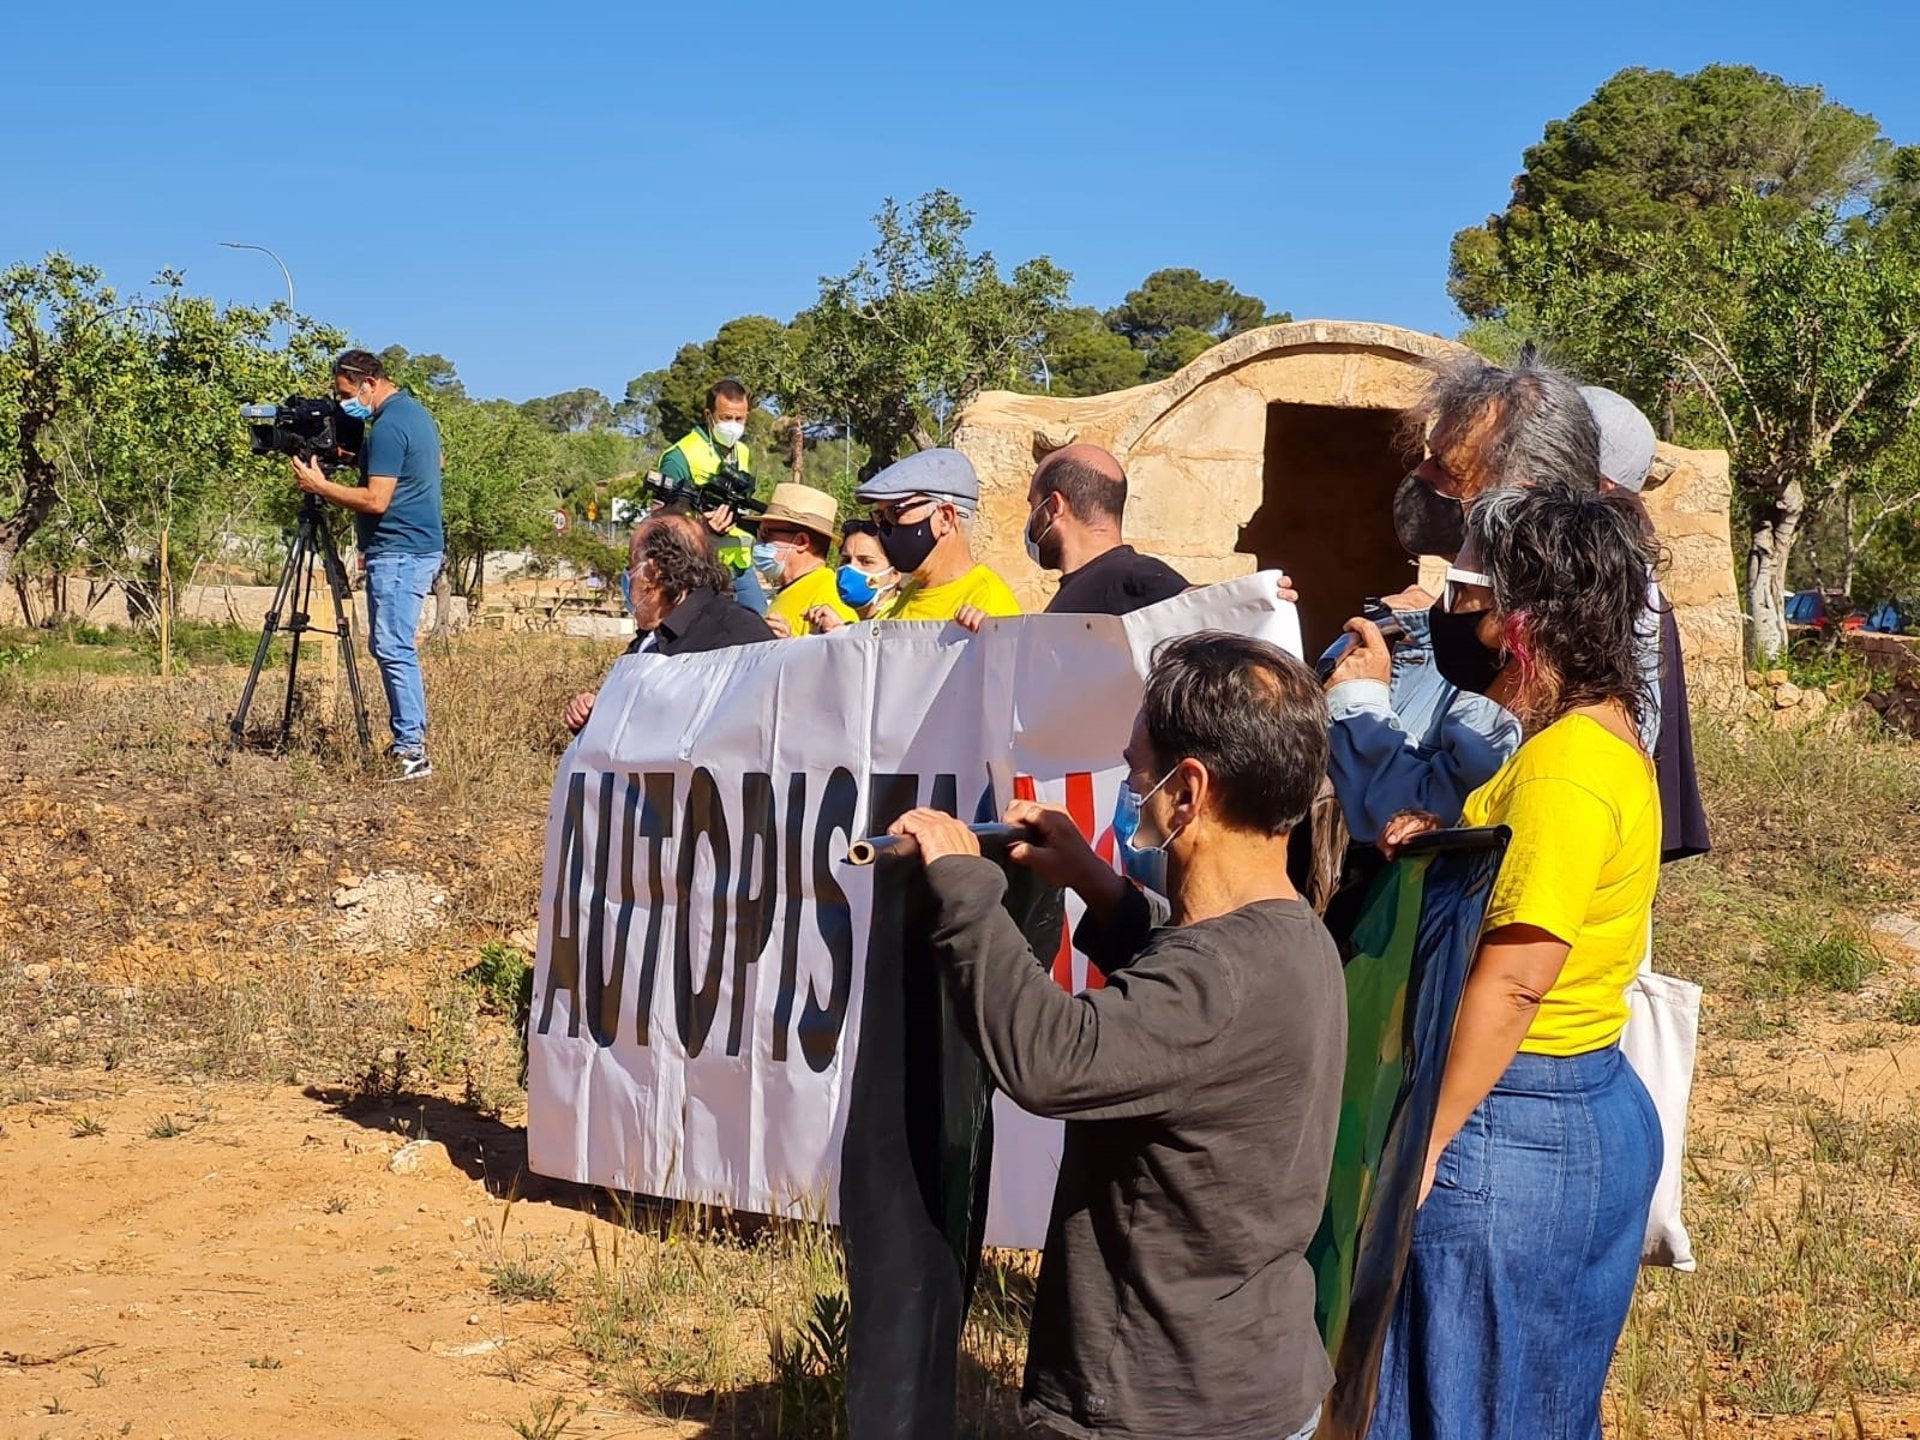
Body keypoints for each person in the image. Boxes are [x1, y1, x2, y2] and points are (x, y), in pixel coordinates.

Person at [889, 631, 1344, 1440]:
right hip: (1255, 1386)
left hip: (1155, 1406)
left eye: (1139, 771)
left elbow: (1051, 1059)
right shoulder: (1293, 938)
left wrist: (964, 888)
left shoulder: (1218, 979)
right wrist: (1097, 886)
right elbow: (1188, 1009)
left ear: (1189, 790)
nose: (1136, 789)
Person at [1367, 483, 1664, 1440]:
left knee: (1461, 1407)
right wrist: (1448, 842)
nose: (1457, 624)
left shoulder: (1568, 769)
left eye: (1473, 601)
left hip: (1509, 1125)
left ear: (1526, 621)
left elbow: (1519, 974)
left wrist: (1428, 1143)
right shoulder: (1594, 742)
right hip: (1571, 1109)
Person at [1324, 353, 1600, 843]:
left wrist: (1358, 697)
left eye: (1449, 470)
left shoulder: (1540, 638)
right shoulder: (1486, 610)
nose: (1422, 476)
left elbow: (1429, 811)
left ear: (1523, 495)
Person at [292, 348, 444, 781]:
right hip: (415, 548)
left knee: (394, 648)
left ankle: (411, 751)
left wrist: (320, 486)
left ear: (368, 384)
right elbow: (432, 464)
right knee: (391, 646)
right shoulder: (414, 414)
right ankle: (407, 743)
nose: (343, 404)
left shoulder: (388, 426)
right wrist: (359, 460)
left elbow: (377, 500)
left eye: (345, 393)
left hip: (400, 551)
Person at [562, 512, 772, 734]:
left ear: (651, 572)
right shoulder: (649, 640)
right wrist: (593, 713)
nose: (627, 578)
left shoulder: (737, 634)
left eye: (630, 566)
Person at [852, 449, 1021, 625]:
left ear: (945, 518)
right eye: (880, 516)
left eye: (895, 512)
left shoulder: (987, 602)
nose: (885, 527)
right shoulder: (911, 594)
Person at [1024, 443, 1189, 615]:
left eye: (1033, 506)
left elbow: (1204, 606)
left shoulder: (1134, 576)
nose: (1030, 520)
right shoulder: (1085, 589)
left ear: (1054, 507)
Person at [656, 378, 767, 615]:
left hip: (739, 566)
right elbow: (659, 525)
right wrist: (702, 527)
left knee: (760, 628)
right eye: (726, 418)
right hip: (697, 568)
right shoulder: (679, 456)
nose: (734, 425)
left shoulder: (743, 452)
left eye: (740, 419)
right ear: (709, 415)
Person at [750, 483, 857, 638]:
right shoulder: (797, 588)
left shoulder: (831, 597)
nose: (759, 541)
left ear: (801, 542)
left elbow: (842, 658)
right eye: (758, 533)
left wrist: (789, 644)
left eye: (767, 534)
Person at [804, 520, 898, 631]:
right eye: (846, 560)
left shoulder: (900, 622)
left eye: (866, 562)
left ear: (894, 575)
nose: (851, 568)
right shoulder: (866, 626)